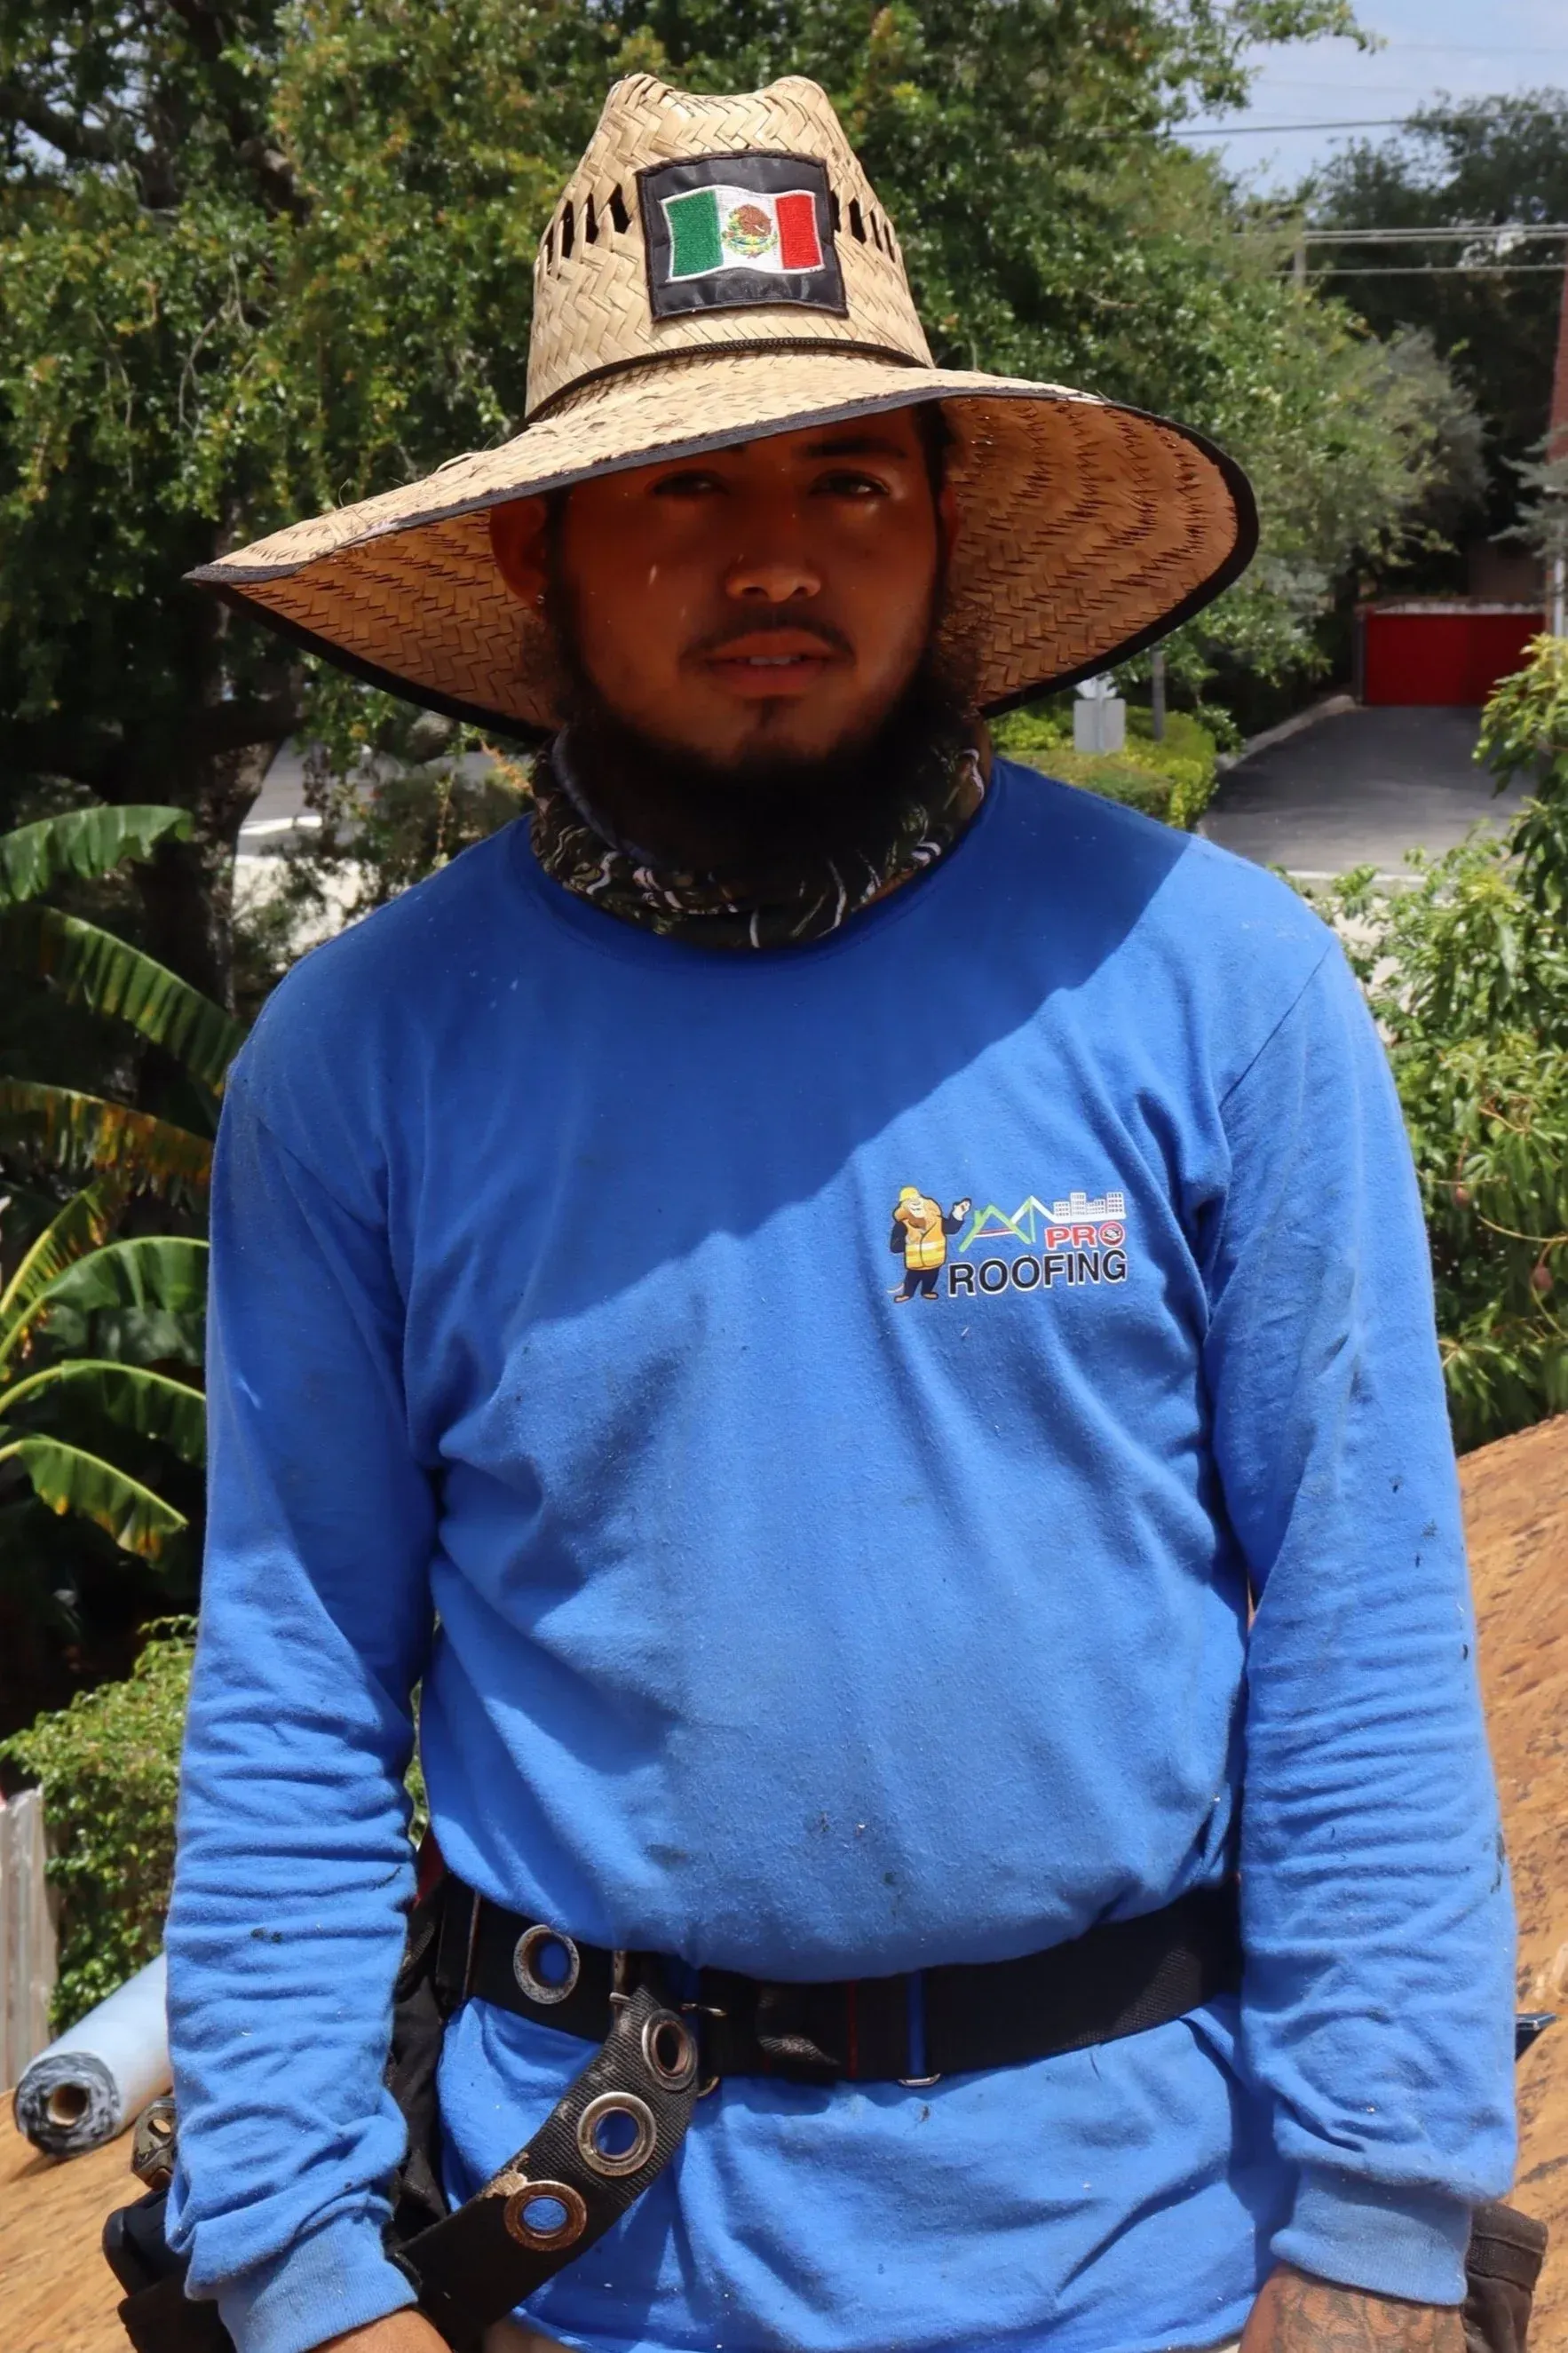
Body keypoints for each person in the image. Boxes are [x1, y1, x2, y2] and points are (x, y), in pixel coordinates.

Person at [163, 70, 1515, 2353]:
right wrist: (302, 2262)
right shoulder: (368, 1056)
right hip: (584, 2255)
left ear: (942, 521)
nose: (775, 558)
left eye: (847, 479)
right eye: (681, 485)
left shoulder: (1208, 983)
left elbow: (1357, 1620)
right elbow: (295, 1682)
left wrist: (1381, 2224)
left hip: (1142, 2253)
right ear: (536, 552)